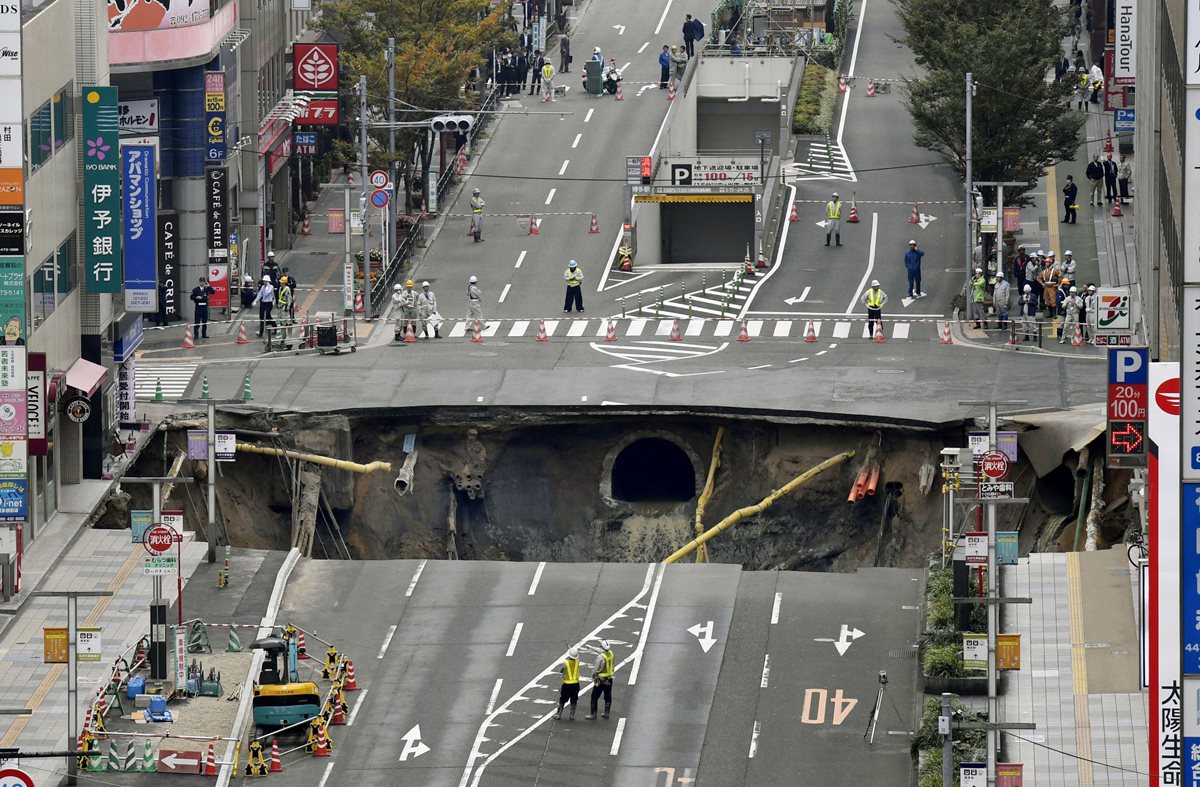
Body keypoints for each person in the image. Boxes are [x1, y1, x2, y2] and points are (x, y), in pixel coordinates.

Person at [584, 640, 615, 720]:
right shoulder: (611, 653)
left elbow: (596, 669)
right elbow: (600, 651)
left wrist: (593, 675)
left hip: (600, 680)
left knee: (594, 696)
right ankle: (606, 713)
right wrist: (590, 647)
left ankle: (593, 714)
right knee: (608, 696)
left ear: (601, 647)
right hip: (609, 679)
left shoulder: (600, 657)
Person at [555, 647, 581, 721]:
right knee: (574, 700)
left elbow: (560, 670)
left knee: (562, 700)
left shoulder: (565, 663)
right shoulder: (577, 662)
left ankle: (559, 714)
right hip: (576, 684)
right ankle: (572, 715)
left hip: (567, 684)